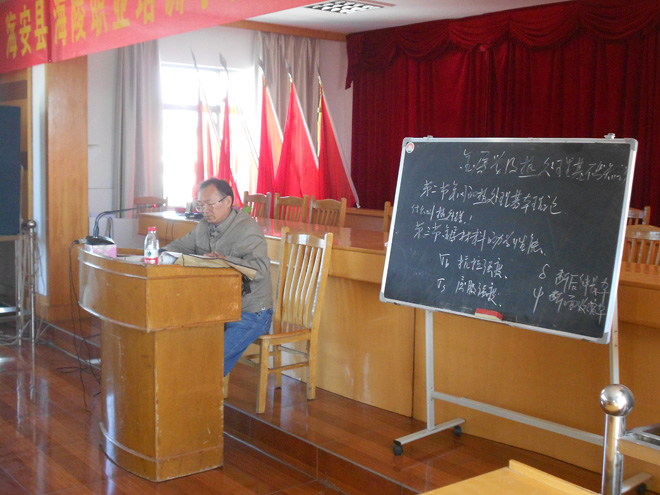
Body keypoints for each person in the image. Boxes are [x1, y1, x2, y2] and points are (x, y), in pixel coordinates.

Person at [164, 178, 272, 376]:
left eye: (209, 204)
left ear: (228, 201)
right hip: (216, 307)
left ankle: (200, 393)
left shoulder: (247, 229)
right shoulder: (204, 226)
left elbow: (260, 269)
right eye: (200, 205)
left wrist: (226, 260)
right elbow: (181, 246)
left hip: (250, 311)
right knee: (180, 349)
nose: (204, 210)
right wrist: (158, 253)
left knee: (209, 362)